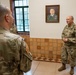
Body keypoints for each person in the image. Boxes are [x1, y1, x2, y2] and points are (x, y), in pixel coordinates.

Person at [0, 5, 32, 75]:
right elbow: (26, 67)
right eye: (11, 15)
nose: (13, 18)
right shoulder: (17, 40)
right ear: (7, 18)